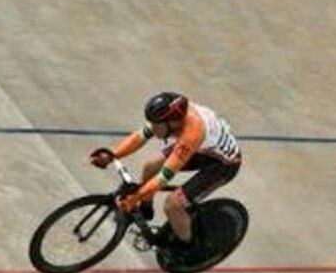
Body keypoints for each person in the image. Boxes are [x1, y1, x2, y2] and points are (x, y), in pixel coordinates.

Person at [88, 91, 243, 256]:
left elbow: (164, 177)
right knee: (150, 167)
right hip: (204, 149)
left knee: (173, 204)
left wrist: (134, 198)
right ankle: (146, 208)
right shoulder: (169, 118)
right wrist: (113, 154)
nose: (153, 128)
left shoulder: (192, 133)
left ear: (173, 122)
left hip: (223, 165)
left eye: (156, 125)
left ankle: (189, 247)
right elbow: (140, 136)